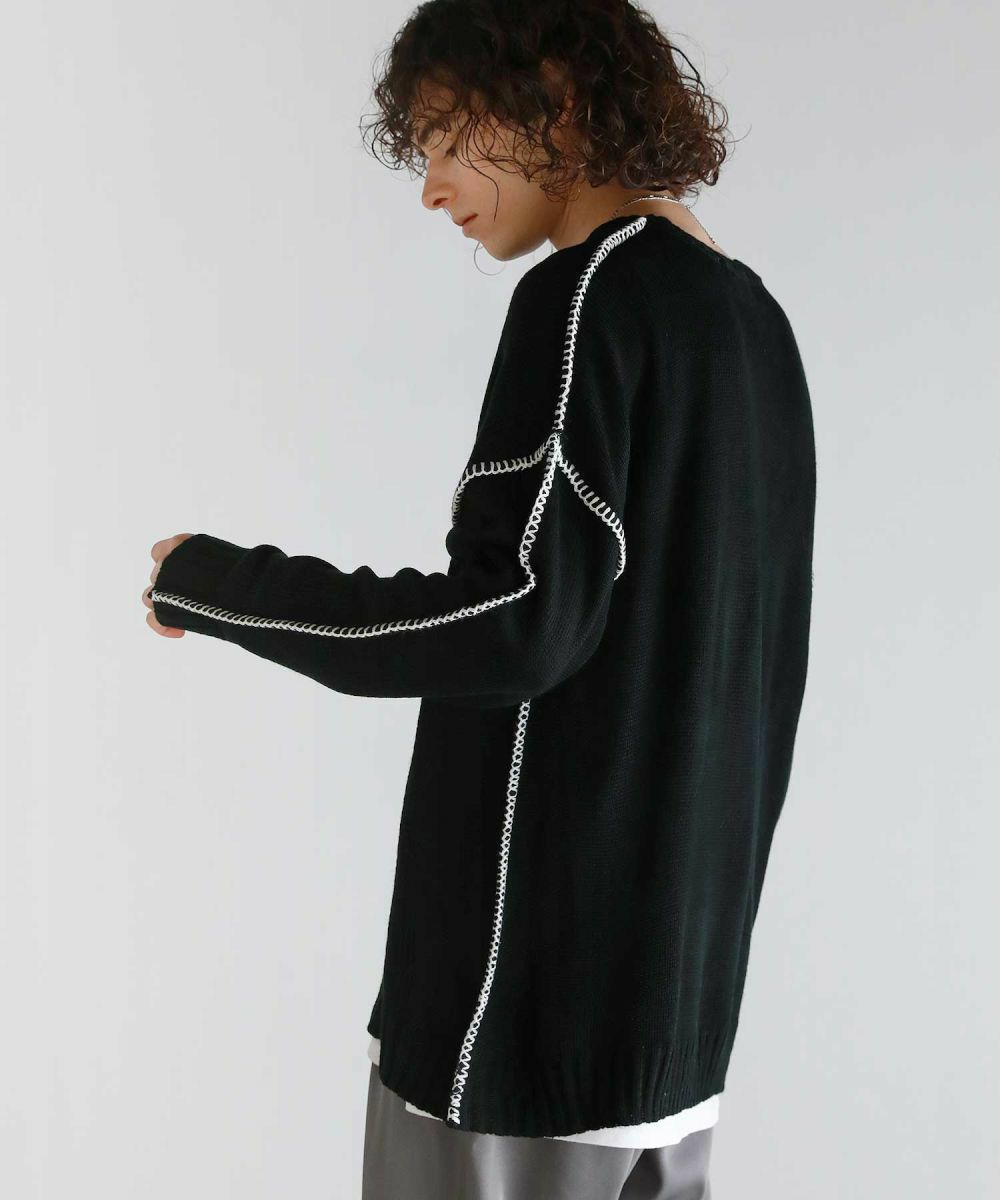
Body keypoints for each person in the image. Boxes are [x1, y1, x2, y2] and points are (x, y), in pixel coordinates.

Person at [144, 2, 816, 1197]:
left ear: (553, 100)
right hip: (673, 1021)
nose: (432, 188)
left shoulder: (584, 299)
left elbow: (511, 620)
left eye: (449, 139)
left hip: (520, 1022)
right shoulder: (752, 319)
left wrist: (217, 584)